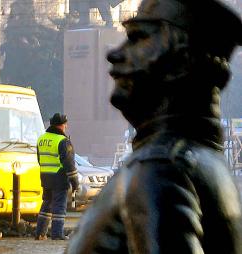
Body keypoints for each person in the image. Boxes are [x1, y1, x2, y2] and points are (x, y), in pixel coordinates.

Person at [67, 0, 242, 253]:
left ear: (181, 61)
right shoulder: (203, 160)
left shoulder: (160, 168)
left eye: (137, 38)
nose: (114, 54)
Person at [35, 113, 79, 240]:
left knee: (46, 204)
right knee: (59, 206)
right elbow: (69, 163)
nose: (66, 127)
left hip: (45, 177)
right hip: (59, 178)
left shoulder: (41, 139)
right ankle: (57, 234)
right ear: (62, 125)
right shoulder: (62, 141)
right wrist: (75, 181)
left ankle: (40, 233)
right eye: (65, 124)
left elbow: (39, 159)